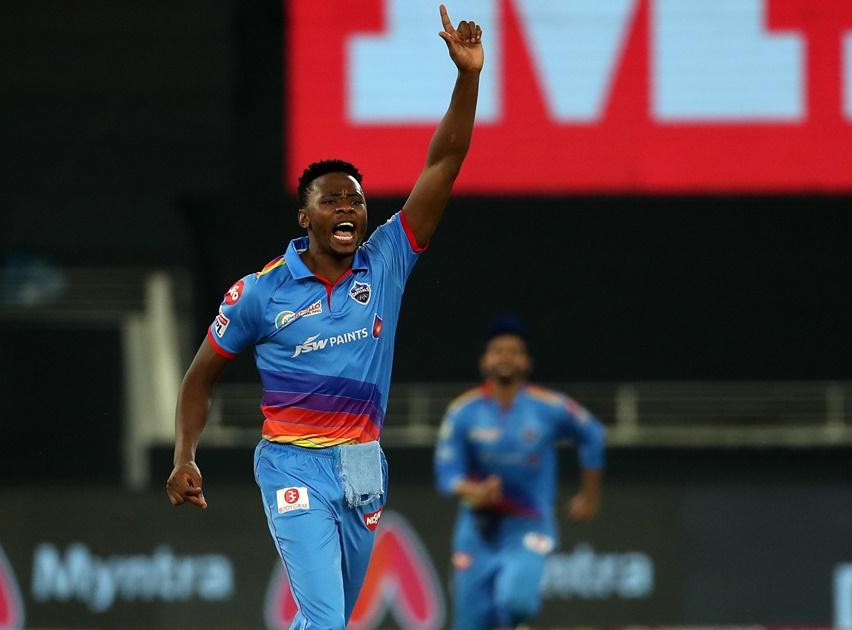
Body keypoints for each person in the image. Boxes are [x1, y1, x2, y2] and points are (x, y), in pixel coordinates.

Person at [165, 5, 484, 629]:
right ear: (304, 217)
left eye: (355, 200)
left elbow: (442, 165)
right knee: (327, 621)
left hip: (362, 462)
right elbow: (200, 377)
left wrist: (467, 77)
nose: (346, 208)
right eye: (331, 200)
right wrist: (184, 456)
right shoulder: (261, 293)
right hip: (291, 462)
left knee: (328, 619)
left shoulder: (386, 262)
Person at [435, 318, 605, 630]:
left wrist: (590, 496)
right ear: (484, 361)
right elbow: (447, 473)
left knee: (517, 602)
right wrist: (473, 491)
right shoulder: (463, 412)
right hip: (477, 529)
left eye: (514, 352)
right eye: (498, 351)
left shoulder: (548, 406)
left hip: (529, 523)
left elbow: (592, 434)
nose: (506, 357)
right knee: (470, 622)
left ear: (527, 362)